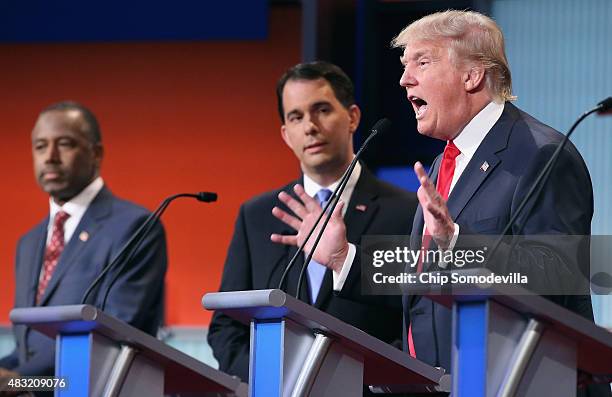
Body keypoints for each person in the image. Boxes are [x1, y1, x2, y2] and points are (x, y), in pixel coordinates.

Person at [271, 10, 609, 396]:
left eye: (422, 62)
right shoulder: (444, 163)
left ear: (472, 75)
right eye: (404, 65)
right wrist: (343, 258)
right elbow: (425, 278)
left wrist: (457, 243)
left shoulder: (541, 152)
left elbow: (559, 272)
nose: (404, 79)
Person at [207, 61, 418, 384]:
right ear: (286, 135)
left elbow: (413, 321)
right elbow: (226, 325)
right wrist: (269, 379)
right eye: (296, 117)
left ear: (352, 117)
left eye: (321, 110)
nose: (310, 126)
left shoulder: (404, 212)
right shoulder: (258, 216)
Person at [0, 101, 167, 380]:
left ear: (96, 153)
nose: (50, 156)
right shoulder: (28, 243)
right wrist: (10, 372)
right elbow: (28, 346)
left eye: (64, 144)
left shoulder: (136, 227)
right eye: (40, 146)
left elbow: (113, 334)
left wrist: (18, 379)